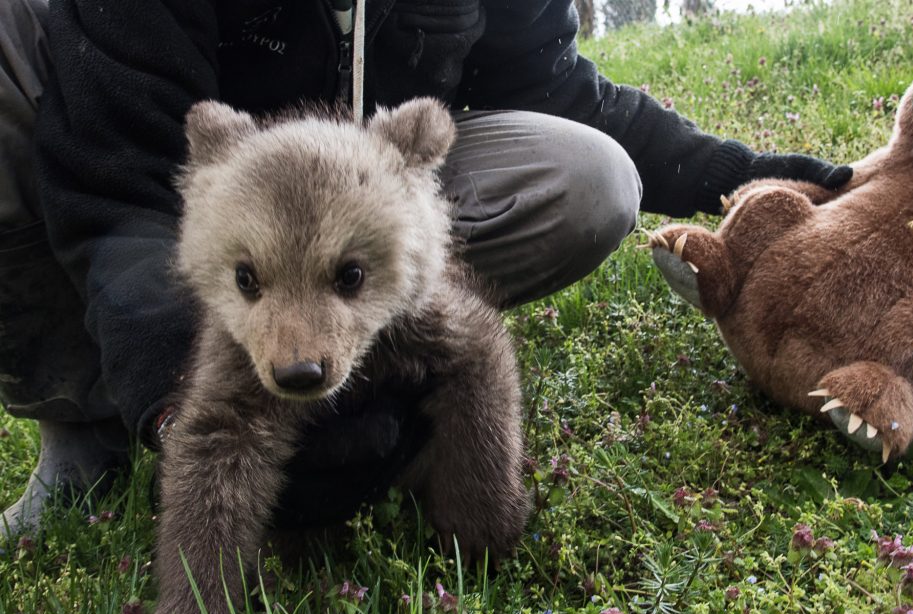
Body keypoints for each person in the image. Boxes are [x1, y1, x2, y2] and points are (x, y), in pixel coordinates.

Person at [0, 0, 851, 541]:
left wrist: (750, 173)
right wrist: (174, 396)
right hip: (210, 189)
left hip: (369, 183)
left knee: (592, 176)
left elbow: (561, 87)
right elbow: (116, 184)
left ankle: (387, 355)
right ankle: (87, 426)